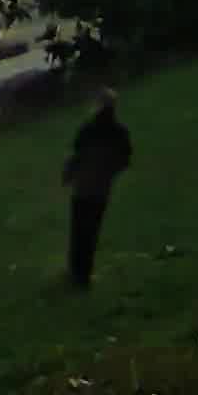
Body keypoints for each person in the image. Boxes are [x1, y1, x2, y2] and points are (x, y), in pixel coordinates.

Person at [62, 87, 133, 287]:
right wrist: (109, 172)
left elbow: (76, 155)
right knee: (92, 230)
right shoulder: (120, 132)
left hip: (82, 188)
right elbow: (125, 160)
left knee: (78, 230)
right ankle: (84, 273)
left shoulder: (87, 129)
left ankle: (75, 270)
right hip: (101, 189)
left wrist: (68, 175)